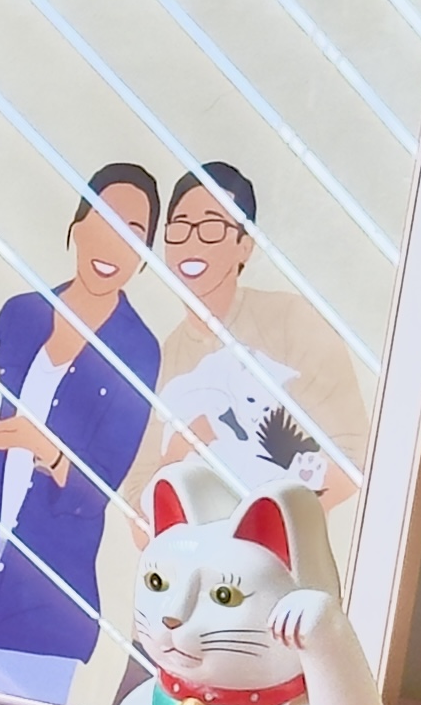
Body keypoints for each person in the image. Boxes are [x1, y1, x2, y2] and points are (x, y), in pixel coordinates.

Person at [0, 163, 165, 705]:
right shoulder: (18, 314)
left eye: (135, 235)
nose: (114, 243)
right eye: (105, 220)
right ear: (78, 224)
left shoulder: (139, 350)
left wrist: (39, 445)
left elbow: (97, 493)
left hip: (44, 615)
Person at [150, 161, 369, 531]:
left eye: (212, 228)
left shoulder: (290, 320)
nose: (192, 242)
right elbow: (140, 502)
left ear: (245, 246)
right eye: (181, 227)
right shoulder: (162, 355)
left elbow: (354, 457)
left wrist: (268, 530)